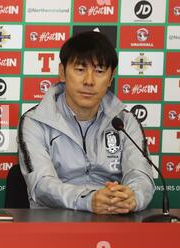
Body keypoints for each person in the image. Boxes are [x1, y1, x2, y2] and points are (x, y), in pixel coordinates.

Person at [18, 31, 155, 214]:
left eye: (99, 71)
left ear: (111, 77)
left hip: (114, 219)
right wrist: (89, 200)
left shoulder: (125, 122)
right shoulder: (34, 121)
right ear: (62, 72)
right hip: (54, 223)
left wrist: (132, 198)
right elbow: (42, 184)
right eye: (80, 70)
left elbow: (140, 175)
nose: (89, 81)